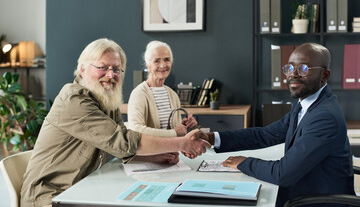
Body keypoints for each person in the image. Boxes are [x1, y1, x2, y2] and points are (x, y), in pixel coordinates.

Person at [20, 38, 210, 207]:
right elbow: (123, 140)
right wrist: (182, 142)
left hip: (81, 188)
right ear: (82, 69)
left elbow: (117, 148)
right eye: (103, 67)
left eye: (116, 69)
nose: (110, 75)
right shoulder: (74, 98)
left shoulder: (106, 99)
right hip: (50, 196)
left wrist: (154, 157)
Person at [196, 43, 355, 207]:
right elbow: (266, 135)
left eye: (303, 69)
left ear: (324, 75)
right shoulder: (306, 104)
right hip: (304, 192)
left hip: (318, 201)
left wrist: (243, 162)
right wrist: (212, 137)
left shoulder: (324, 116)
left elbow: (283, 173)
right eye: (289, 68)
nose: (293, 75)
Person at [127, 40, 197, 137]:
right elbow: (135, 130)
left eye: (167, 59)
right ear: (148, 66)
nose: (163, 65)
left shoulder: (173, 95)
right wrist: (174, 132)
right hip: (152, 152)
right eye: (157, 61)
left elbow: (176, 130)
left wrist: (186, 126)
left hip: (173, 150)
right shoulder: (139, 94)